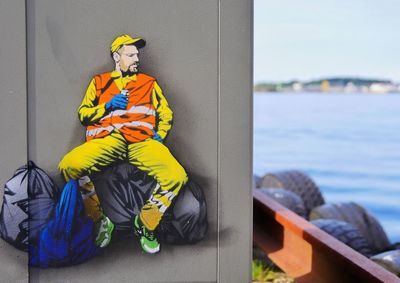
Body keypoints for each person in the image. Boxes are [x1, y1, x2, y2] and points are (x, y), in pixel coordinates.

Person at [58, 34, 188, 254]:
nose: (136, 58)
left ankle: (146, 223)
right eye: (131, 54)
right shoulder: (99, 82)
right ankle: (100, 220)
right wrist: (107, 106)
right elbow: (84, 114)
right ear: (117, 57)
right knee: (69, 166)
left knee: (177, 176)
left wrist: (160, 134)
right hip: (111, 140)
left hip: (143, 142)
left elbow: (165, 112)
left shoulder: (149, 83)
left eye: (137, 54)